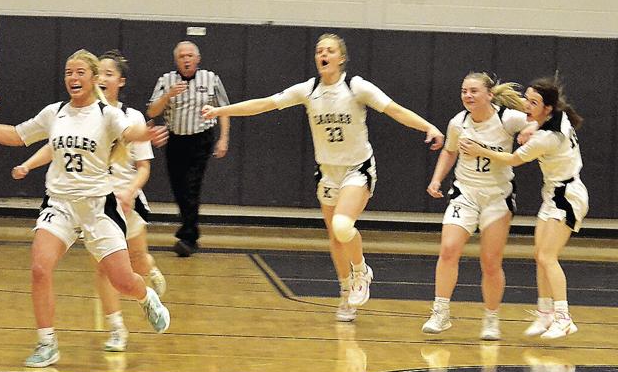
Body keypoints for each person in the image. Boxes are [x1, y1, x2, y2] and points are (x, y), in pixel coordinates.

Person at [202, 33, 443, 322]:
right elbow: (265, 103)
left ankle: (361, 270)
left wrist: (427, 126)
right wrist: (220, 110)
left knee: (343, 226)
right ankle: (345, 293)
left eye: (329, 51)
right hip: (327, 172)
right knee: (335, 237)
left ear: (341, 58)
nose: (322, 55)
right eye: (318, 51)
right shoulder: (308, 90)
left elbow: (394, 109)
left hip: (357, 169)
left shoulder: (356, 87)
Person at [0, 49, 171, 368]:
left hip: (97, 206)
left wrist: (146, 133)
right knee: (39, 268)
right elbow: (17, 135)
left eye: (79, 72)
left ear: (92, 78)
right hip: (60, 204)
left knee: (122, 281)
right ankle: (47, 343)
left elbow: (129, 132)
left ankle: (146, 297)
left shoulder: (106, 114)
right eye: (68, 72)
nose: (73, 78)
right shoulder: (55, 112)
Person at [459, 77, 587, 339]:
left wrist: (480, 149)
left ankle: (564, 317)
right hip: (553, 194)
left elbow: (512, 160)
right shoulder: (558, 116)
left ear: (547, 107)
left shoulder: (546, 138)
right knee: (539, 255)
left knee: (548, 257)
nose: (526, 105)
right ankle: (544, 314)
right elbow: (532, 114)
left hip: (568, 196)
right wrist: (531, 123)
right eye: (526, 99)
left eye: (533, 102)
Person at [421, 72, 528, 341]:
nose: (467, 95)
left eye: (473, 91)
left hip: (497, 196)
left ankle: (491, 318)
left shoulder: (508, 119)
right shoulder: (458, 122)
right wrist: (436, 179)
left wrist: (530, 130)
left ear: (489, 95)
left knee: (491, 262)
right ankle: (440, 312)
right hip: (465, 193)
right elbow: (449, 150)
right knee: (448, 250)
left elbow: (537, 121)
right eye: (464, 90)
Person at [146, 41, 230, 257]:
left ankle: (189, 237)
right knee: (178, 187)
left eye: (190, 55)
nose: (186, 59)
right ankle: (188, 230)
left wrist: (223, 139)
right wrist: (168, 95)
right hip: (176, 140)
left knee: (192, 186)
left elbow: (224, 109)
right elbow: (152, 112)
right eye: (182, 56)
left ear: (198, 59)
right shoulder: (166, 80)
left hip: (201, 139)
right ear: (176, 60)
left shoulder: (211, 79)